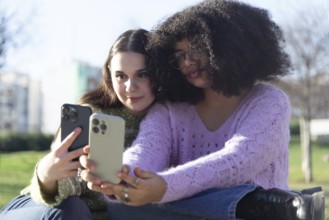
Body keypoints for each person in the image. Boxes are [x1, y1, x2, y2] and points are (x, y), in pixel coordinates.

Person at [80, 1, 325, 220]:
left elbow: (238, 161)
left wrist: (165, 187)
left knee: (236, 194)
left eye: (197, 50)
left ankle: (254, 205)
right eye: (179, 55)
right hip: (196, 213)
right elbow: (147, 148)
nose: (187, 62)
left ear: (230, 49)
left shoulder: (269, 101)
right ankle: (263, 206)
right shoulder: (170, 108)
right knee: (121, 208)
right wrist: (123, 176)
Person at [0, 29, 162, 220]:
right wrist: (47, 174)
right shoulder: (91, 114)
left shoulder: (173, 120)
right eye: (121, 76)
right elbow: (67, 188)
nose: (130, 87)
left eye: (141, 75)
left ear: (159, 73)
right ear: (109, 75)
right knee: (73, 208)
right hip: (42, 206)